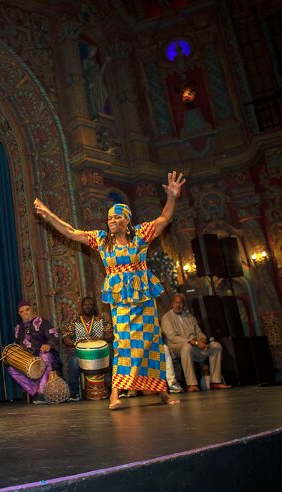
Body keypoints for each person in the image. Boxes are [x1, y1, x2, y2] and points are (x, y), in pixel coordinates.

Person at [34, 171, 186, 410]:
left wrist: (173, 197)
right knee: (125, 343)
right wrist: (50, 215)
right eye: (109, 218)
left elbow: (164, 219)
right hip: (121, 301)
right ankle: (116, 391)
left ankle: (162, 391)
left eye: (116, 217)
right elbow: (71, 232)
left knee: (151, 342)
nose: (111, 220)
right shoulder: (102, 240)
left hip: (144, 297)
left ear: (127, 221)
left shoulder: (140, 236)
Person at [161, 293, 231, 391]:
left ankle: (215, 381)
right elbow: (173, 337)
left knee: (216, 346)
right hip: (176, 347)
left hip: (195, 346)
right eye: (176, 303)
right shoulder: (166, 317)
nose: (178, 305)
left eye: (180, 303)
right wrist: (195, 342)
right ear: (172, 304)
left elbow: (198, 332)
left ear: (184, 304)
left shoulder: (189, 316)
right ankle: (192, 384)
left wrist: (202, 340)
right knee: (186, 347)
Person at [9, 300, 61, 404]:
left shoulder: (43, 322)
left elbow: (54, 336)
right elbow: (16, 344)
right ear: (19, 314)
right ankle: (35, 391)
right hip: (28, 360)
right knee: (12, 369)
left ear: (32, 309)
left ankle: (42, 394)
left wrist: (48, 345)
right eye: (22, 311)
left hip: (45, 356)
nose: (25, 313)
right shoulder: (19, 328)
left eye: (27, 310)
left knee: (44, 357)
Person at [62, 296, 113, 401]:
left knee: (111, 357)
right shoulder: (76, 321)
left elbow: (111, 335)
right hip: (82, 355)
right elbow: (65, 337)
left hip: (99, 354)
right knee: (73, 362)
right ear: (82, 306)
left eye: (90, 304)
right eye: (86, 304)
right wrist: (75, 343)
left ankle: (111, 388)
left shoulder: (100, 319)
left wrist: (101, 338)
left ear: (93, 306)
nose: (88, 307)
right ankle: (74, 393)